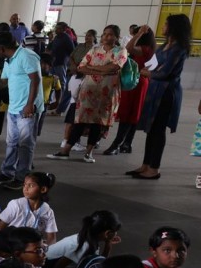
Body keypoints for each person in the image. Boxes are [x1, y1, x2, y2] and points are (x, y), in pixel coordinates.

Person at [48, 25, 126, 163]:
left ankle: (89, 153)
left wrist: (92, 68)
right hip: (88, 91)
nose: (106, 37)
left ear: (117, 37)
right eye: (104, 34)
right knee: (80, 121)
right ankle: (65, 150)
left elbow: (115, 67)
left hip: (107, 93)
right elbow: (81, 67)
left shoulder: (121, 51)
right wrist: (102, 71)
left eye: (110, 34)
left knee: (98, 123)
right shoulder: (95, 49)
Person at [129, 13, 191, 180]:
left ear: (174, 27)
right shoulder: (164, 47)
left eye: (166, 24)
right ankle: (146, 164)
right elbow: (151, 65)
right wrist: (148, 71)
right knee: (151, 130)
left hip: (166, 92)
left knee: (158, 130)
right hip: (155, 90)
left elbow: (164, 72)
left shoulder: (179, 48)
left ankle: (154, 168)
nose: (163, 26)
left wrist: (148, 73)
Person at [0, 31, 43, 187]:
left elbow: (36, 80)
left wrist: (29, 104)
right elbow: (4, 82)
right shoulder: (8, 60)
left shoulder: (27, 55)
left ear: (1, 47)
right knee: (12, 143)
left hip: (27, 108)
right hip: (13, 107)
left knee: (25, 144)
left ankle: (21, 177)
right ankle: (7, 173)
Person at [105, 24, 154, 155]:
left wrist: (138, 34)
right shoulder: (149, 48)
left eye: (136, 34)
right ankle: (127, 143)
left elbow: (128, 48)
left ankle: (117, 143)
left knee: (128, 114)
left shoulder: (144, 48)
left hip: (136, 83)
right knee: (133, 114)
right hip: (136, 81)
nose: (133, 36)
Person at [0, 171, 58, 245]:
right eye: (24, 185)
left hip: (33, 247)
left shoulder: (48, 211)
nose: (25, 189)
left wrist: (47, 250)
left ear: (43, 189)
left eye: (31, 186)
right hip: (13, 244)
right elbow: (0, 229)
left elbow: (51, 238)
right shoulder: (16, 204)